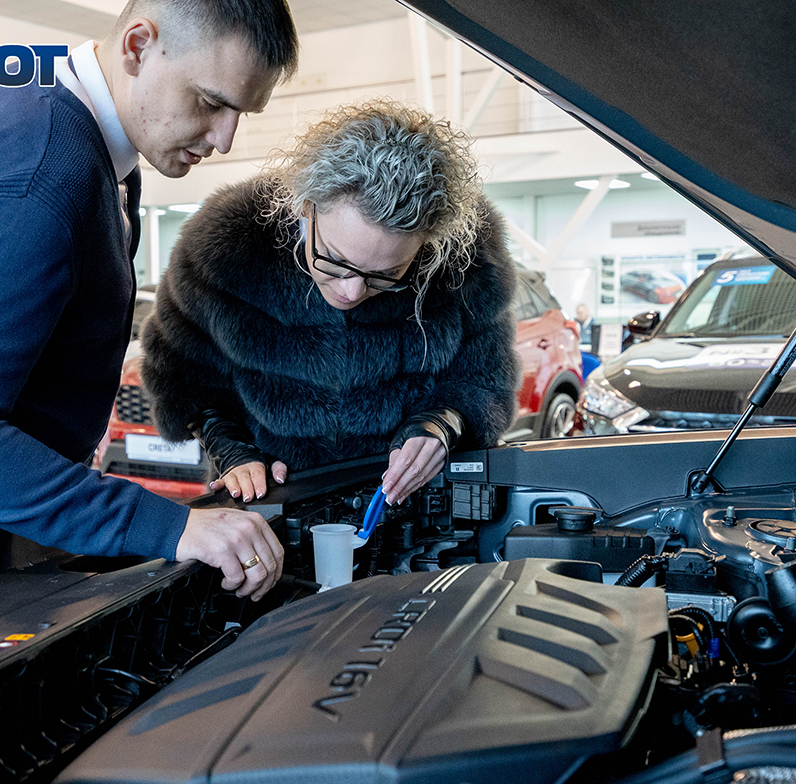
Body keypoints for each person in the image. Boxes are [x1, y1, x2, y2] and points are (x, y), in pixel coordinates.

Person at [0, 0, 299, 601]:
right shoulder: (42, 173)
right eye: (210, 102)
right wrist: (168, 525)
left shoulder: (49, 115)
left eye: (241, 113)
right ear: (138, 47)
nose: (224, 139)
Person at [141, 100, 520, 507]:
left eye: (386, 274)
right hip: (271, 503)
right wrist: (231, 448)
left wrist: (442, 423)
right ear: (306, 207)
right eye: (335, 261)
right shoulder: (224, 248)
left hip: (410, 508)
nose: (352, 292)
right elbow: (182, 376)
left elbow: (484, 382)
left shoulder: (470, 266)